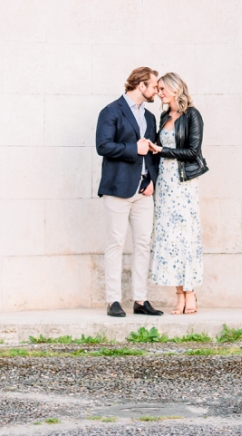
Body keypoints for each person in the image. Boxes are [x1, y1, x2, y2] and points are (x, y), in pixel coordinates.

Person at [95, 66, 165, 318]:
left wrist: (153, 180)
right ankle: (113, 300)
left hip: (144, 191)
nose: (157, 91)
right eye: (155, 86)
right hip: (117, 189)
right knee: (115, 243)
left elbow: (153, 153)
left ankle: (140, 300)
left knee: (143, 244)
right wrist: (132, 148)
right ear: (141, 85)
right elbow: (102, 146)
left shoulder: (150, 117)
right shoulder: (111, 111)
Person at [149, 72, 207, 315]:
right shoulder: (163, 116)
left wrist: (162, 150)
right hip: (164, 185)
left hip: (183, 184)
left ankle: (190, 292)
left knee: (186, 237)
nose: (159, 93)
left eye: (163, 88)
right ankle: (178, 294)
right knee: (169, 239)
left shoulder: (192, 115)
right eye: (158, 88)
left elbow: (193, 151)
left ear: (175, 89)